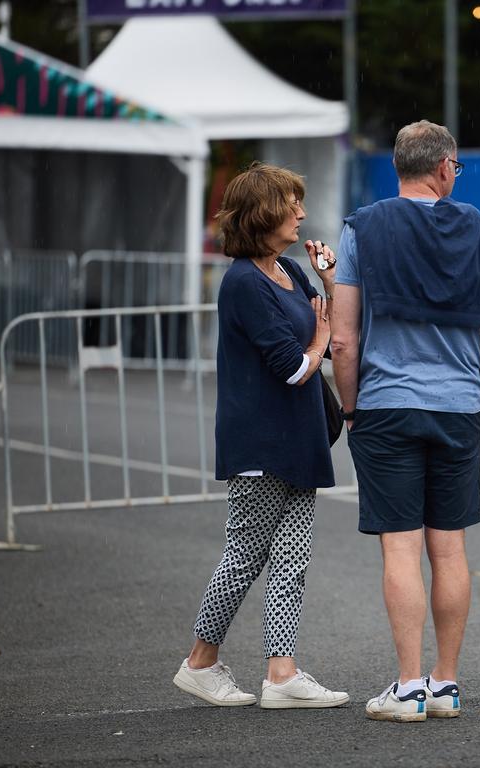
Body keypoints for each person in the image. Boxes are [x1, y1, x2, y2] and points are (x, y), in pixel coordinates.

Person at [330, 120, 480, 722]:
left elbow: (344, 339)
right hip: (458, 405)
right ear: (444, 168)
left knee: (401, 551)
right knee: (450, 550)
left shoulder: (363, 228)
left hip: (386, 404)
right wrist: (478, 403)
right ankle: (446, 683)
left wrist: (352, 410)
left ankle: (407, 686)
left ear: (399, 167)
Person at [173, 163, 348, 709]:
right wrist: (318, 343)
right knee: (244, 557)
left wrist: (327, 280)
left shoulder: (288, 272)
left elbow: (331, 326)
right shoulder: (245, 281)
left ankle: (281, 674)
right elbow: (293, 367)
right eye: (291, 204)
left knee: (291, 561)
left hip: (297, 438)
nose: (301, 212)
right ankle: (200, 663)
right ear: (263, 214)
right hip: (260, 443)